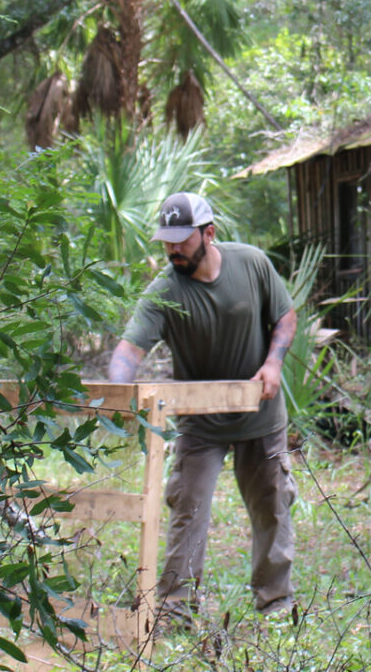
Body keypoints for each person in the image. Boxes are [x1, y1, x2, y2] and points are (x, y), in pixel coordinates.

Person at [108, 192, 299, 623]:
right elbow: (129, 350)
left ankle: (276, 603)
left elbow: (285, 317)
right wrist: (116, 392)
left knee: (272, 508)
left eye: (182, 240)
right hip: (200, 424)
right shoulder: (165, 291)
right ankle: (176, 610)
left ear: (208, 233)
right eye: (167, 241)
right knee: (188, 509)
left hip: (260, 414)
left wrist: (273, 363)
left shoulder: (251, 264)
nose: (173, 249)